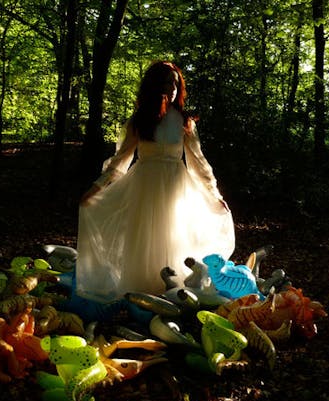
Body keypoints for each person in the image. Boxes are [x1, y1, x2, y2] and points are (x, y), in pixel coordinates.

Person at [75, 61, 234, 301]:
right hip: (144, 188)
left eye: (176, 83)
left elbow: (199, 162)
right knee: (144, 240)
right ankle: (141, 293)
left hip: (176, 190)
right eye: (168, 82)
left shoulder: (184, 121)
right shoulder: (139, 121)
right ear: (155, 85)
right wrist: (96, 188)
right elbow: (120, 162)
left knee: (174, 237)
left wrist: (215, 194)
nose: (172, 88)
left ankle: (172, 294)